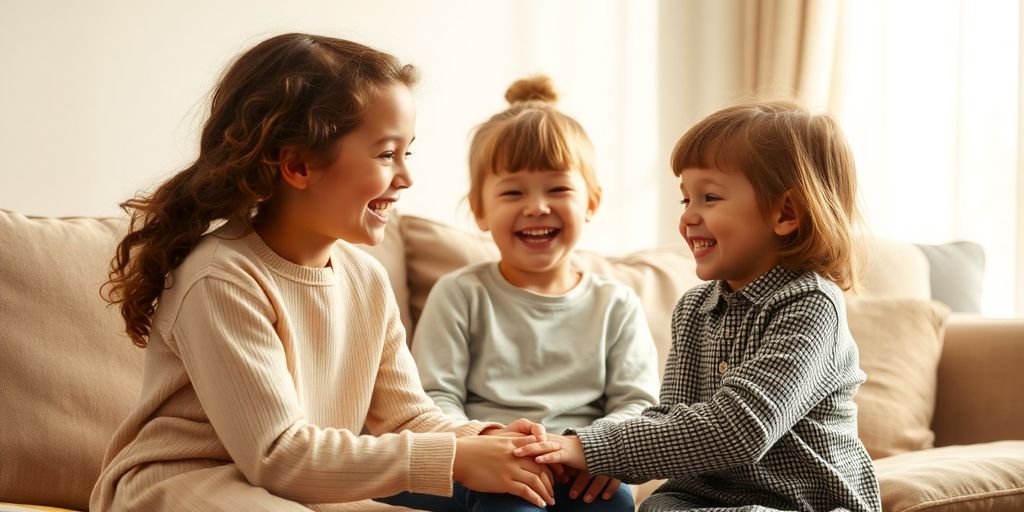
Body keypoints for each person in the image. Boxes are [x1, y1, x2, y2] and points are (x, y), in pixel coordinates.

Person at [90, 33, 557, 512]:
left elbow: (407, 420)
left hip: (293, 488)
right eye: (385, 154)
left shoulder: (366, 279)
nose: (406, 177)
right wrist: (456, 457)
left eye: (407, 153)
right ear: (298, 164)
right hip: (182, 484)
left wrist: (495, 441)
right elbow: (277, 455)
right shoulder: (221, 277)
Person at [515, 101, 883, 511]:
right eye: (684, 199)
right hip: (703, 498)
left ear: (787, 213)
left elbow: (740, 428)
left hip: (802, 502)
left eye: (709, 197)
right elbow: (670, 413)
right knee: (655, 507)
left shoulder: (811, 306)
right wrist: (603, 456)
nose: (688, 217)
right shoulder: (694, 308)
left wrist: (589, 448)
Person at [379, 75, 660, 512]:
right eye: (513, 191)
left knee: (618, 502)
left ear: (591, 203)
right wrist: (492, 444)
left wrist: (599, 451)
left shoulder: (616, 303)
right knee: (509, 505)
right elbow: (435, 397)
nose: (536, 206)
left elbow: (636, 402)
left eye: (558, 188)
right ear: (480, 210)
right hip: (484, 461)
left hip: (579, 465)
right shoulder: (460, 293)